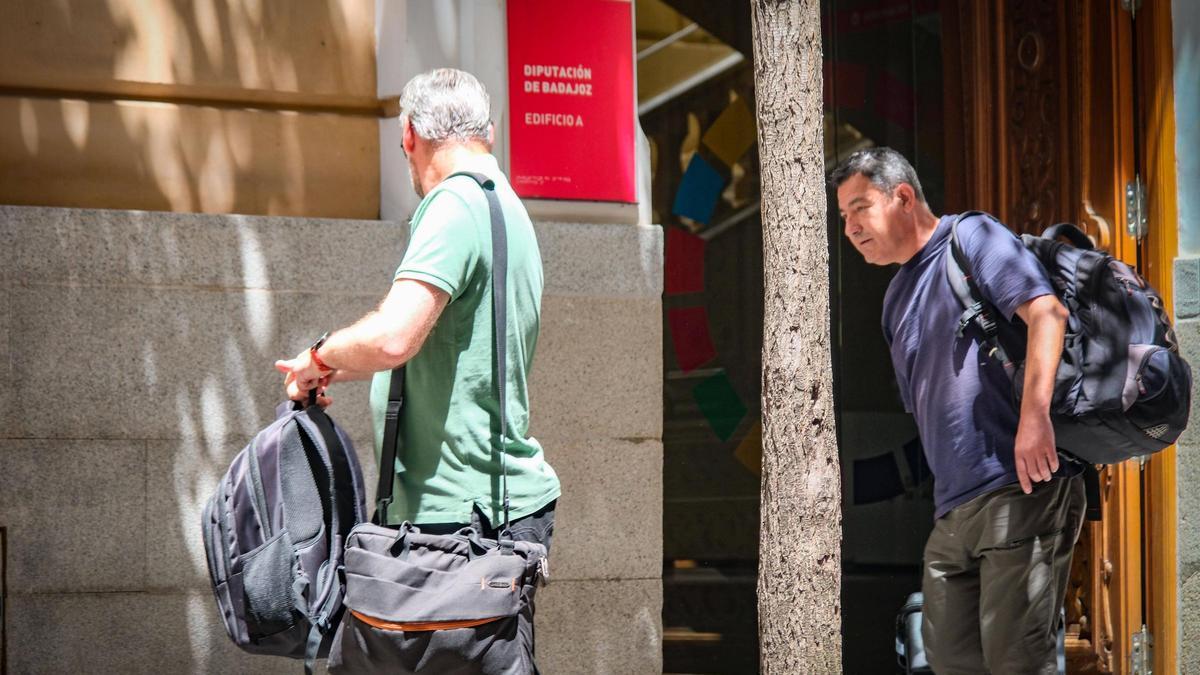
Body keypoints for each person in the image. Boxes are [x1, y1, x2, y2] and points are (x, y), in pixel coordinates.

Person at [274, 68, 560, 553]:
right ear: (489, 133)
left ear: (408, 134)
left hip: (456, 514)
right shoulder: (503, 202)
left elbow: (393, 338)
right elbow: (455, 350)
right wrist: (339, 369)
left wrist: (319, 357)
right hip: (492, 509)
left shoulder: (454, 204)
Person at [831, 147, 1084, 674]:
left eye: (860, 208)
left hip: (1020, 485)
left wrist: (1034, 418)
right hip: (953, 510)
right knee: (948, 659)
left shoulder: (972, 237)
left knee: (1018, 662)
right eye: (844, 217)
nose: (851, 227)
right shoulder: (895, 298)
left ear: (902, 196)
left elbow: (1047, 313)